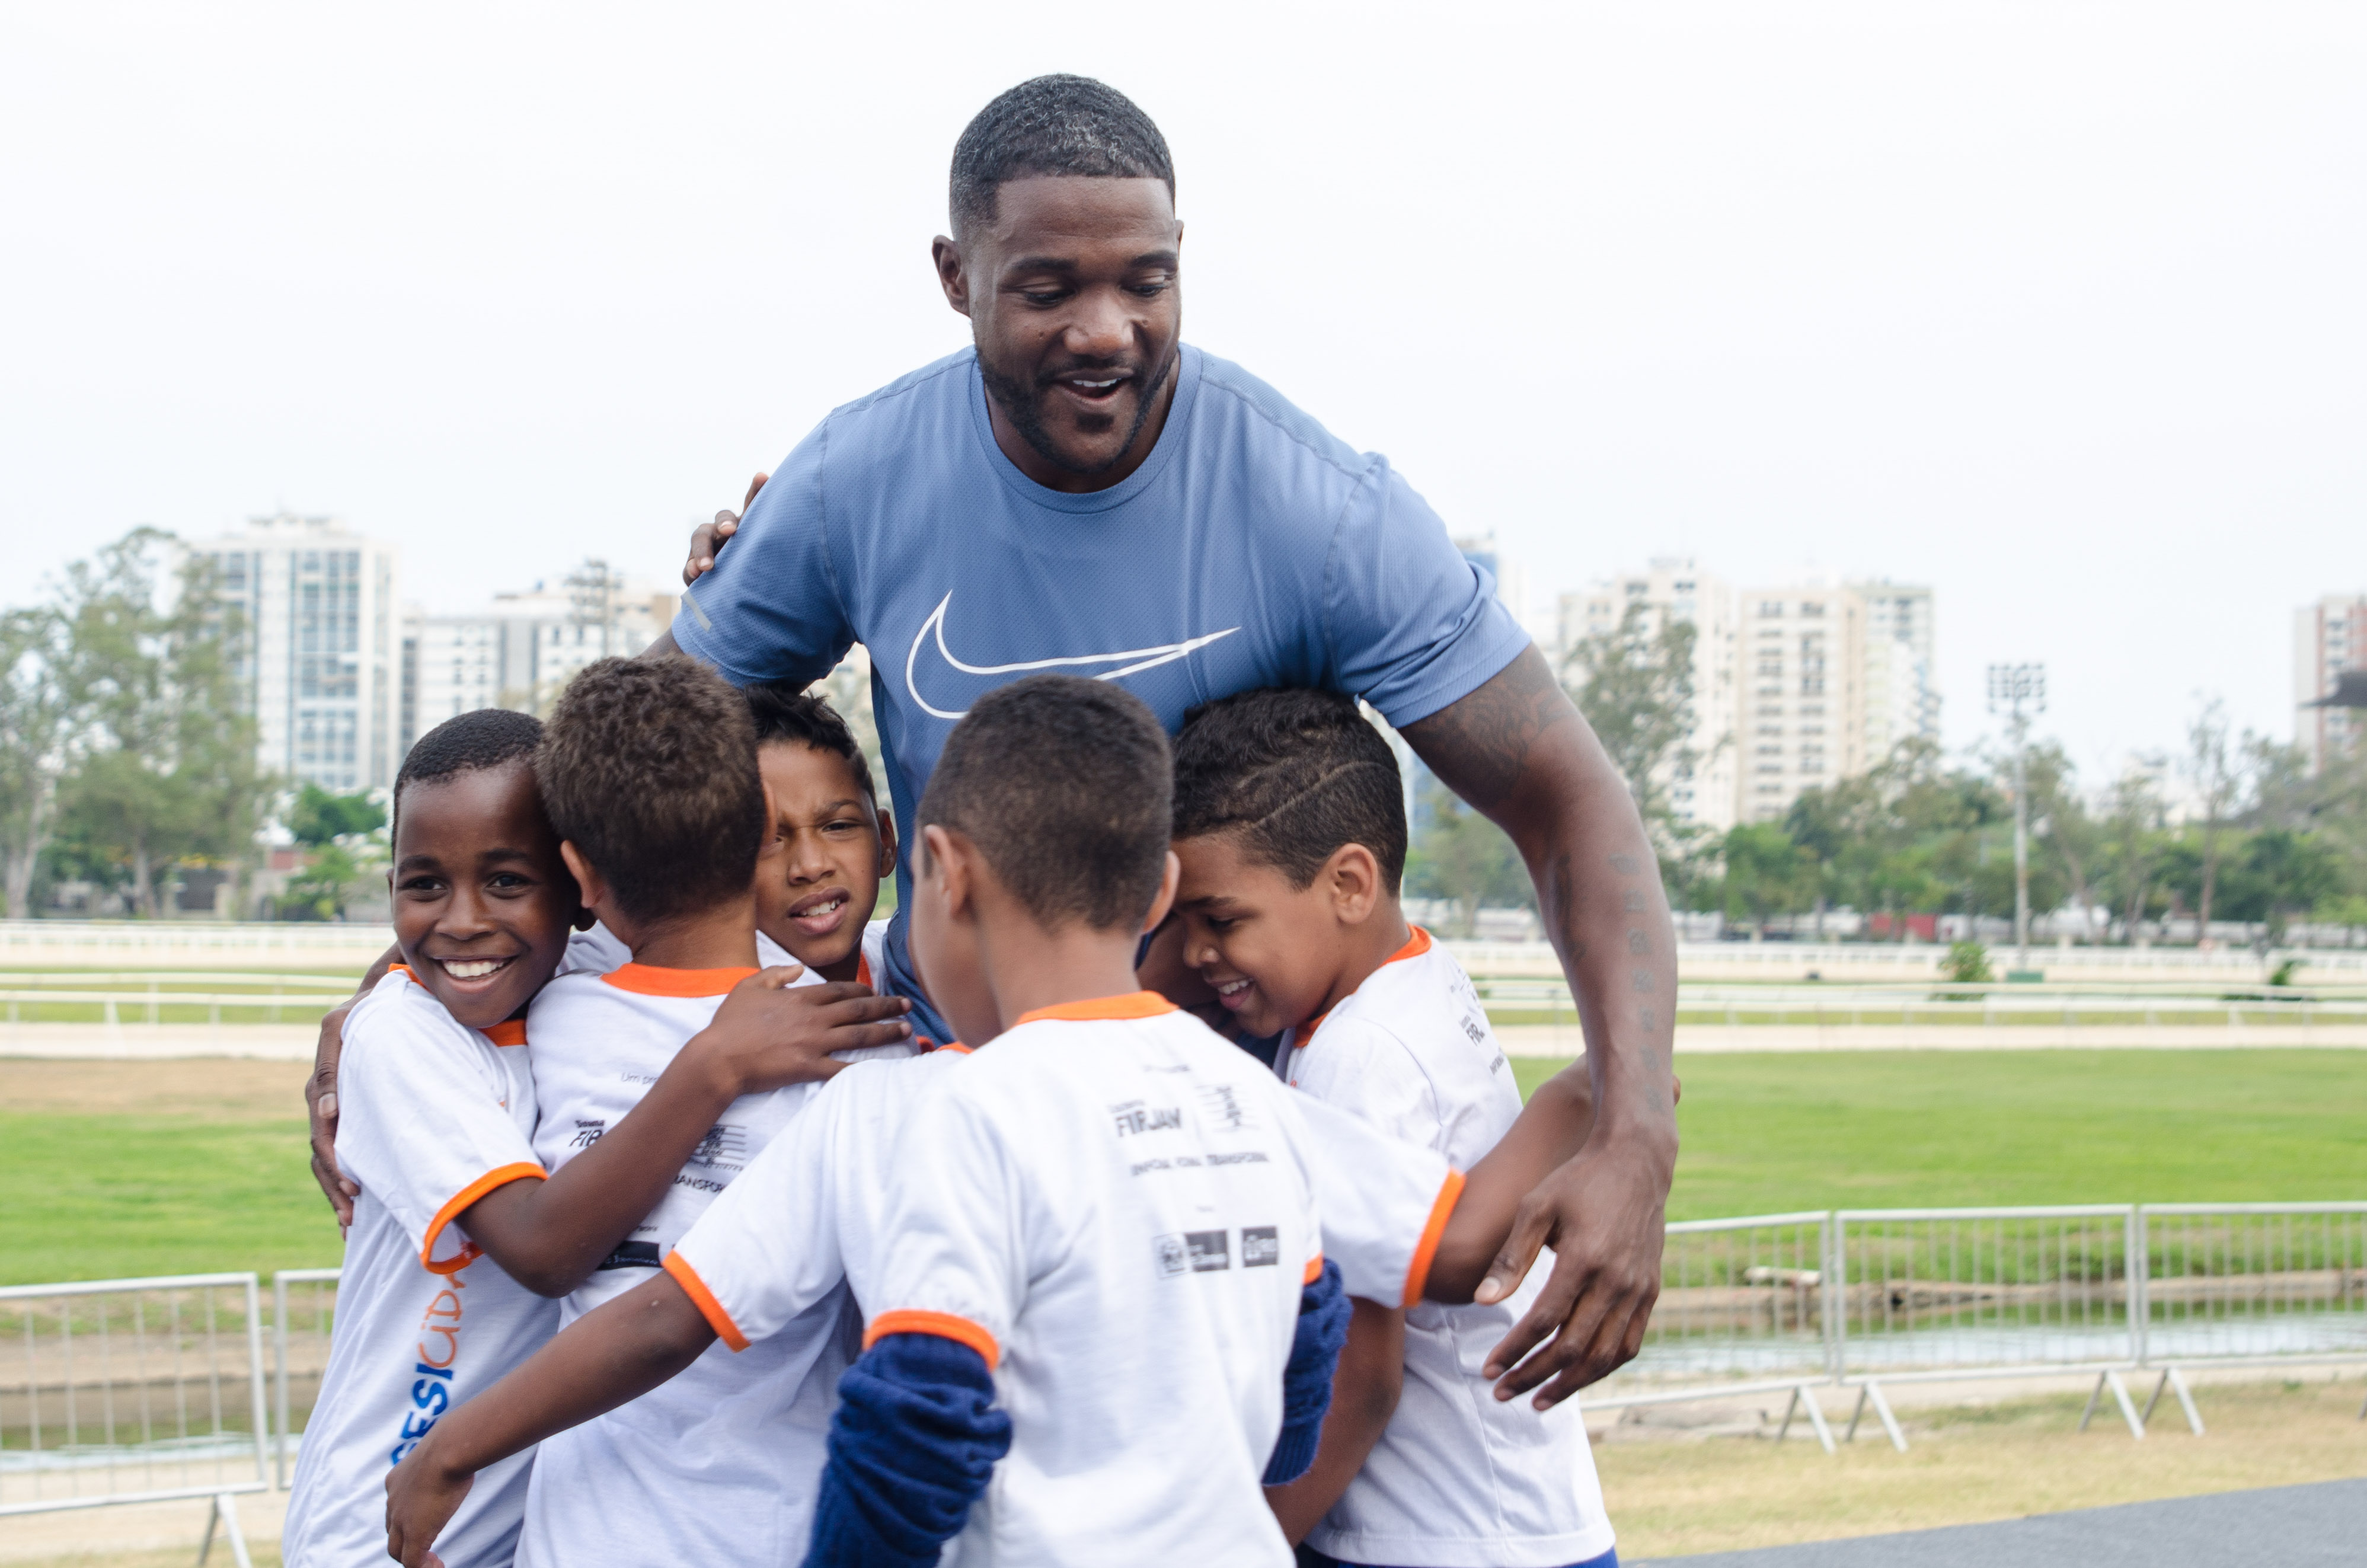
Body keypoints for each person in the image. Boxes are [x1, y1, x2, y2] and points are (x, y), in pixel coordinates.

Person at [315, 71, 1675, 1403]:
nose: (1105, 327)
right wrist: (415, 987)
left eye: (1145, 280)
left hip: (1211, 1139)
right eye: (1048, 287)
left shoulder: (1322, 511)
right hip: (958, 1115)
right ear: (955, 274)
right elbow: (607, 789)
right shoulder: (854, 480)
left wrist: (1636, 1128)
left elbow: (1569, 800)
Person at [386, 676, 1340, 1566]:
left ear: (937, 868)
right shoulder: (1254, 1097)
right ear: (1162, 891)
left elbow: (898, 1400)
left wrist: (450, 1450)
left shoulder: (925, 1106)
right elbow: (1309, 1352)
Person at [281, 708, 875, 1568]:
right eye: (423, 886)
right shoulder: (406, 1031)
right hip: (386, 1526)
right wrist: (715, 1065)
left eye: (508, 881)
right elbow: (544, 1248)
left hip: (528, 1524)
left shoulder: (594, 970)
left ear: (579, 881)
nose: (463, 920)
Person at [1171, 688, 1617, 1568]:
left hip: (1434, 1539)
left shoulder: (1354, 1056)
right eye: (1177, 920)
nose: (1192, 953)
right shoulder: (1413, 974)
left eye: (1220, 920)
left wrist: (1248, 1544)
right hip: (1514, 1521)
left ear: (1347, 884)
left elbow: (1362, 1380)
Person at [499, 656, 918, 1567]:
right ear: (744, 842)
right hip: (688, 1529)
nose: (811, 862)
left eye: (840, 825)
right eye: (779, 837)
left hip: (682, 1528)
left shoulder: (900, 1030)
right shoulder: (572, 1002)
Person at [744, 681, 896, 989]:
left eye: (838, 827)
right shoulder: (707, 1023)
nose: (811, 867)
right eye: (769, 840)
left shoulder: (920, 972)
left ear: (885, 843)